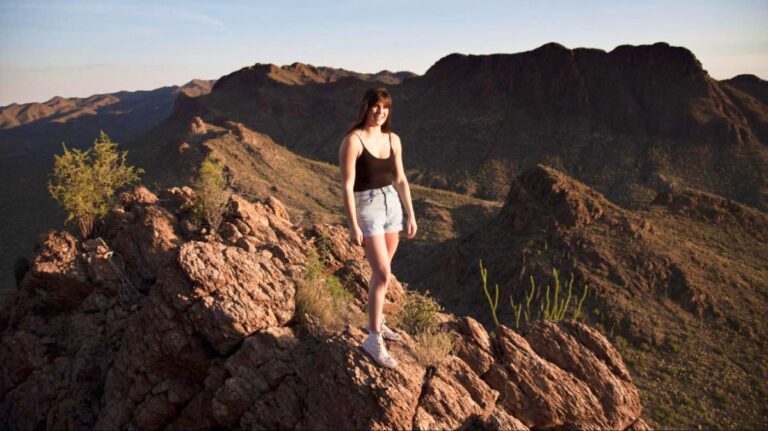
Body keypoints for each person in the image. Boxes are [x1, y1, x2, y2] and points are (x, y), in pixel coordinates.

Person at [338, 87, 417, 368]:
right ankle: (373, 339)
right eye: (375, 106)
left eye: (385, 107)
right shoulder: (353, 141)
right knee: (383, 273)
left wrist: (410, 214)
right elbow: (347, 185)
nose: (380, 112)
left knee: (381, 273)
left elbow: (401, 179)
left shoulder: (393, 139)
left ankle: (378, 320)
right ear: (365, 107)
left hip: (392, 205)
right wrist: (353, 224)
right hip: (367, 207)